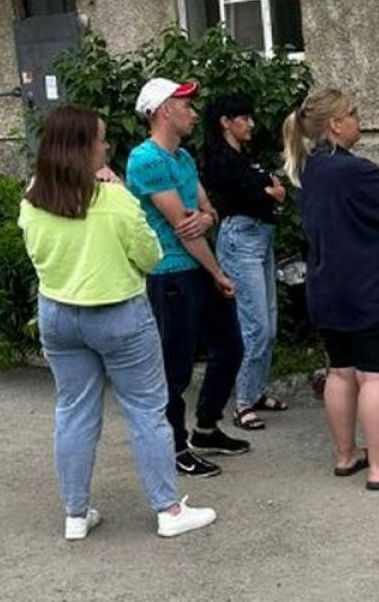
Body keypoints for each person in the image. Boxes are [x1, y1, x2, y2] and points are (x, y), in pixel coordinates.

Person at [19, 106, 216, 540]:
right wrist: (121, 191)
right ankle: (167, 509)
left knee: (72, 411)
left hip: (58, 313)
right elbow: (150, 255)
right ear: (84, 147)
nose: (106, 146)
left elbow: (36, 253)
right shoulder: (114, 199)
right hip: (118, 313)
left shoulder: (34, 196)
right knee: (146, 409)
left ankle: (75, 514)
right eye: (101, 139)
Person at [283, 88, 379, 491]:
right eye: (353, 113)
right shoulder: (354, 170)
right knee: (375, 376)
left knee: (340, 372)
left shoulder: (309, 169)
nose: (359, 119)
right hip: (368, 286)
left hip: (327, 285)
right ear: (335, 125)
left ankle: (347, 455)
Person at [126, 78, 247, 478]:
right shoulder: (146, 160)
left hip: (198, 268)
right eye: (186, 105)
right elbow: (183, 226)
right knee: (175, 367)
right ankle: (174, 446)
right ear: (164, 110)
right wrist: (218, 271)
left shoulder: (182, 158)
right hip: (171, 275)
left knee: (229, 347)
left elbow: (205, 210)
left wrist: (208, 217)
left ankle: (207, 427)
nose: (194, 113)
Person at [202, 94, 289, 433]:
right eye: (244, 118)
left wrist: (270, 193)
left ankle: (255, 390)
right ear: (225, 121)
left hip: (261, 236)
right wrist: (268, 192)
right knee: (255, 324)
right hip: (241, 239)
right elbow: (251, 195)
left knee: (269, 318)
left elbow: (273, 192)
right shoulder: (220, 160)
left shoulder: (245, 157)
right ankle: (241, 403)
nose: (251, 124)